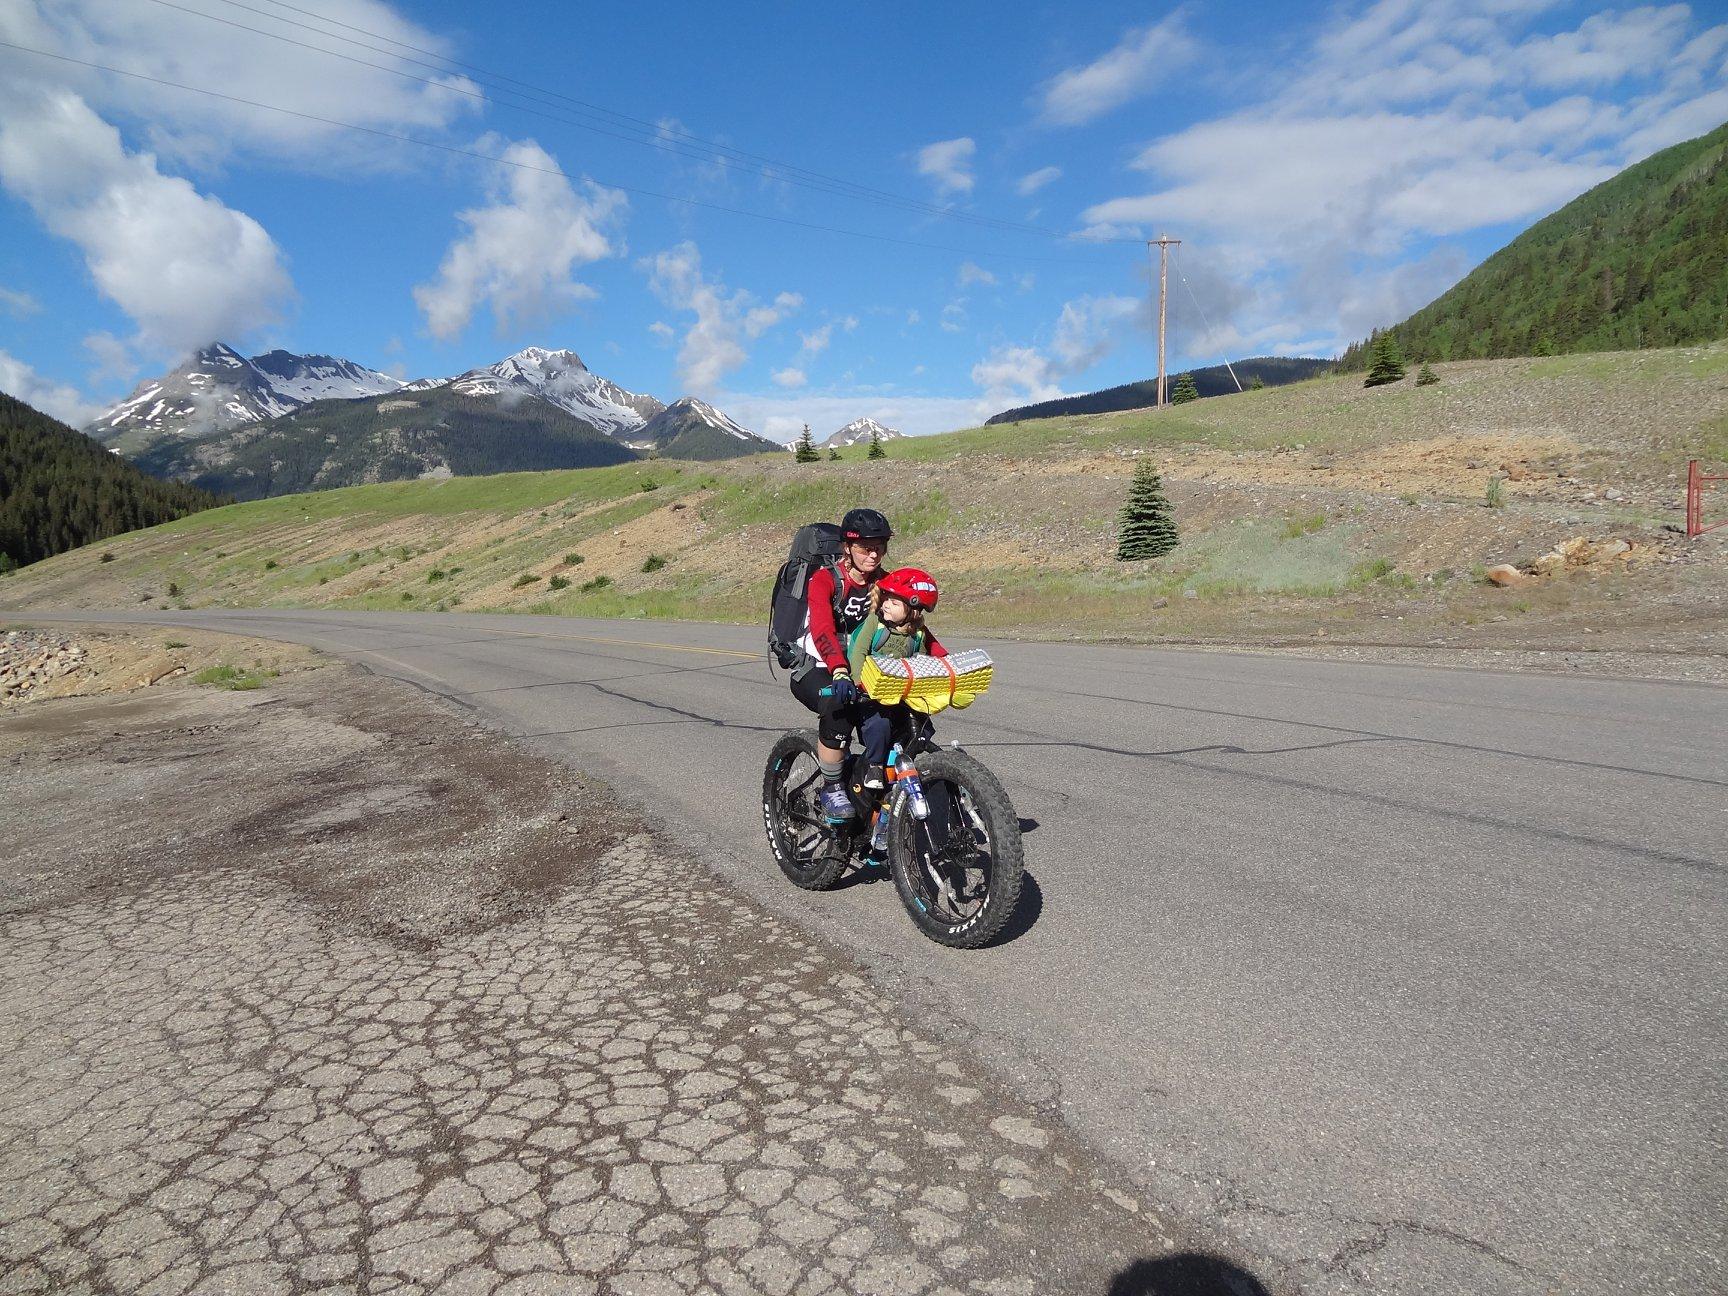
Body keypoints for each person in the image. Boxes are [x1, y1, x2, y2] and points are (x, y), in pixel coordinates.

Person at [788, 508, 892, 820]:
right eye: (864, 548)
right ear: (847, 547)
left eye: (879, 547)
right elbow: (822, 630)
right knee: (839, 703)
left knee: (897, 714)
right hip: (818, 665)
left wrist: (940, 660)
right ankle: (832, 787)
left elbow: (911, 620)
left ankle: (873, 789)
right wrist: (840, 669)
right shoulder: (826, 580)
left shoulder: (886, 582)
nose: (873, 555)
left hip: (860, 667)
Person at [846, 567, 945, 791]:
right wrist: (858, 682)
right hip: (871, 693)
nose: (886, 605)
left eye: (894, 602)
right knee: (878, 726)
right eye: (886, 599)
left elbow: (919, 662)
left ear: (913, 612)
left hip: (899, 691)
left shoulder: (917, 634)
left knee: (921, 726)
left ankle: (902, 762)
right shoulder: (875, 623)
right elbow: (858, 652)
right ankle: (874, 765)